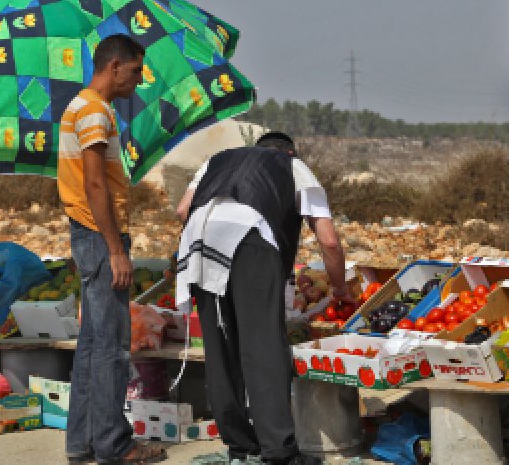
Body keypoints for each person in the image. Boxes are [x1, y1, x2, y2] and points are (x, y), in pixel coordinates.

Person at [175, 132, 355, 465]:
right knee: (264, 347)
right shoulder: (293, 166)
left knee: (219, 347)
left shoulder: (217, 160)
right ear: (289, 151)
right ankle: (280, 452)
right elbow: (328, 241)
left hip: (199, 244)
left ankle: (240, 446)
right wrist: (340, 287)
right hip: (251, 242)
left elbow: (183, 209)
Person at [58, 34, 165, 465]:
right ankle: (114, 445)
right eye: (136, 71)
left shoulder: (81, 107)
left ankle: (82, 441)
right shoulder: (94, 112)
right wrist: (115, 249)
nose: (138, 82)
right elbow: (95, 183)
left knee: (92, 343)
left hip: (88, 234)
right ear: (115, 66)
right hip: (98, 235)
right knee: (110, 346)